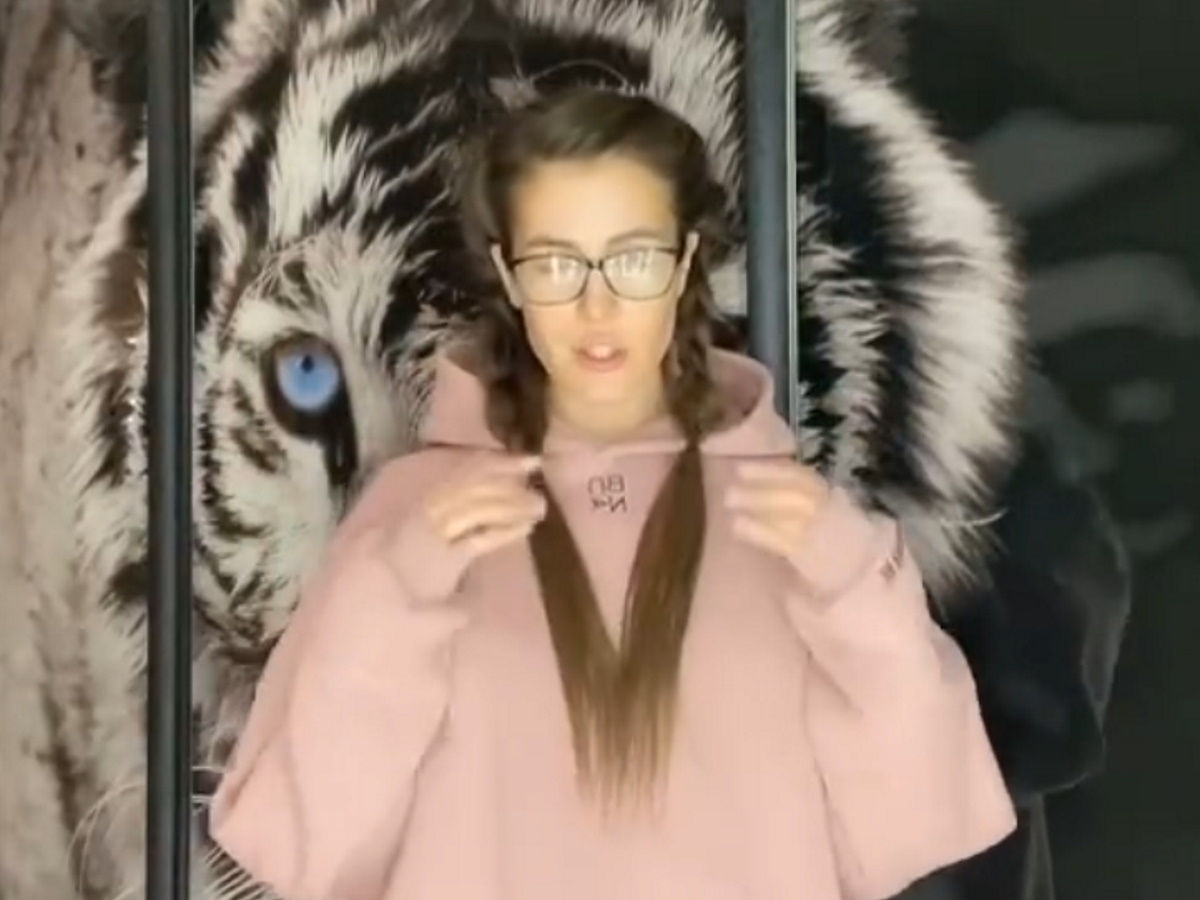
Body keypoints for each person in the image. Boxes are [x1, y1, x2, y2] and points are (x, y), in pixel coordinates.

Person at [208, 87, 1016, 900]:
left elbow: (913, 816)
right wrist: (396, 587)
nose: (597, 306)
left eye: (632, 258)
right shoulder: (418, 513)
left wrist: (857, 587)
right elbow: (301, 832)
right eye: (556, 263)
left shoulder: (790, 518)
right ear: (509, 275)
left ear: (685, 261)